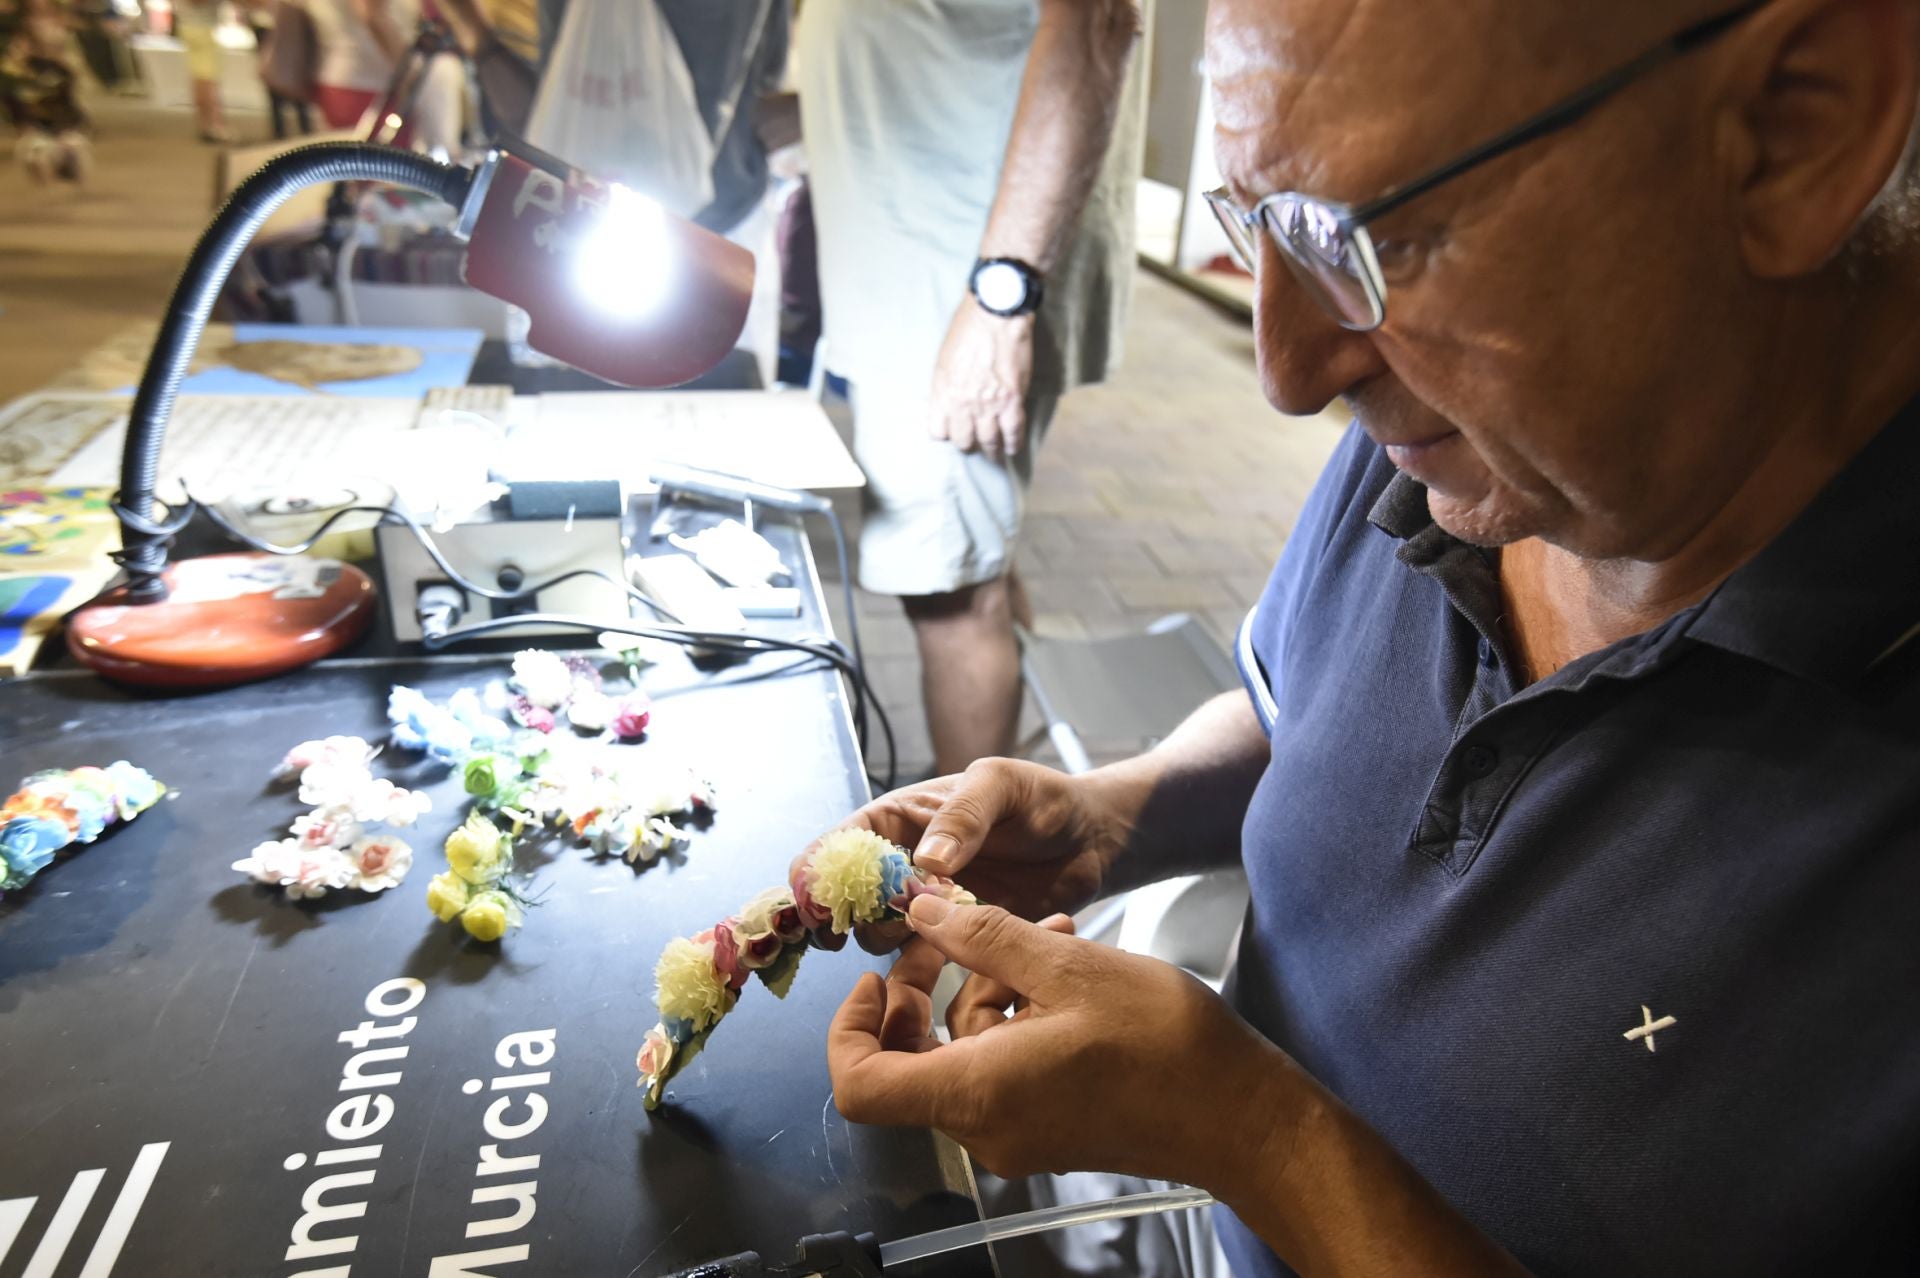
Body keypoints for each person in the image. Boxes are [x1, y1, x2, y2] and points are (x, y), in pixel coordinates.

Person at [803, 0, 1920, 1273]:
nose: (1289, 367)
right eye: (1260, 222)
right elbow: (1307, 711)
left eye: (1364, 236)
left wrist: (1255, 1134)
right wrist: (1119, 811)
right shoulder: (1472, 442)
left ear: (1797, 125)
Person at [799, 0, 1146, 778]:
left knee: (951, 595)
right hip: (922, 264)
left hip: (958, 270)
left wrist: (1002, 294)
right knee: (973, 566)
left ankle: (969, 877)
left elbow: (1096, 23)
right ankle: (1008, 807)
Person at [1, 0, 89, 183]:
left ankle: (64, 158)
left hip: (58, 74)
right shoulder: (20, 26)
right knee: (33, 121)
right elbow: (17, 56)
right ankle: (45, 156)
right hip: (32, 77)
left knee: (65, 123)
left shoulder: (61, 19)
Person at [170, 0, 226, 142]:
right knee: (207, 79)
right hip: (200, 28)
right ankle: (214, 125)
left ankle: (206, 125)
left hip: (193, 27)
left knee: (200, 77)